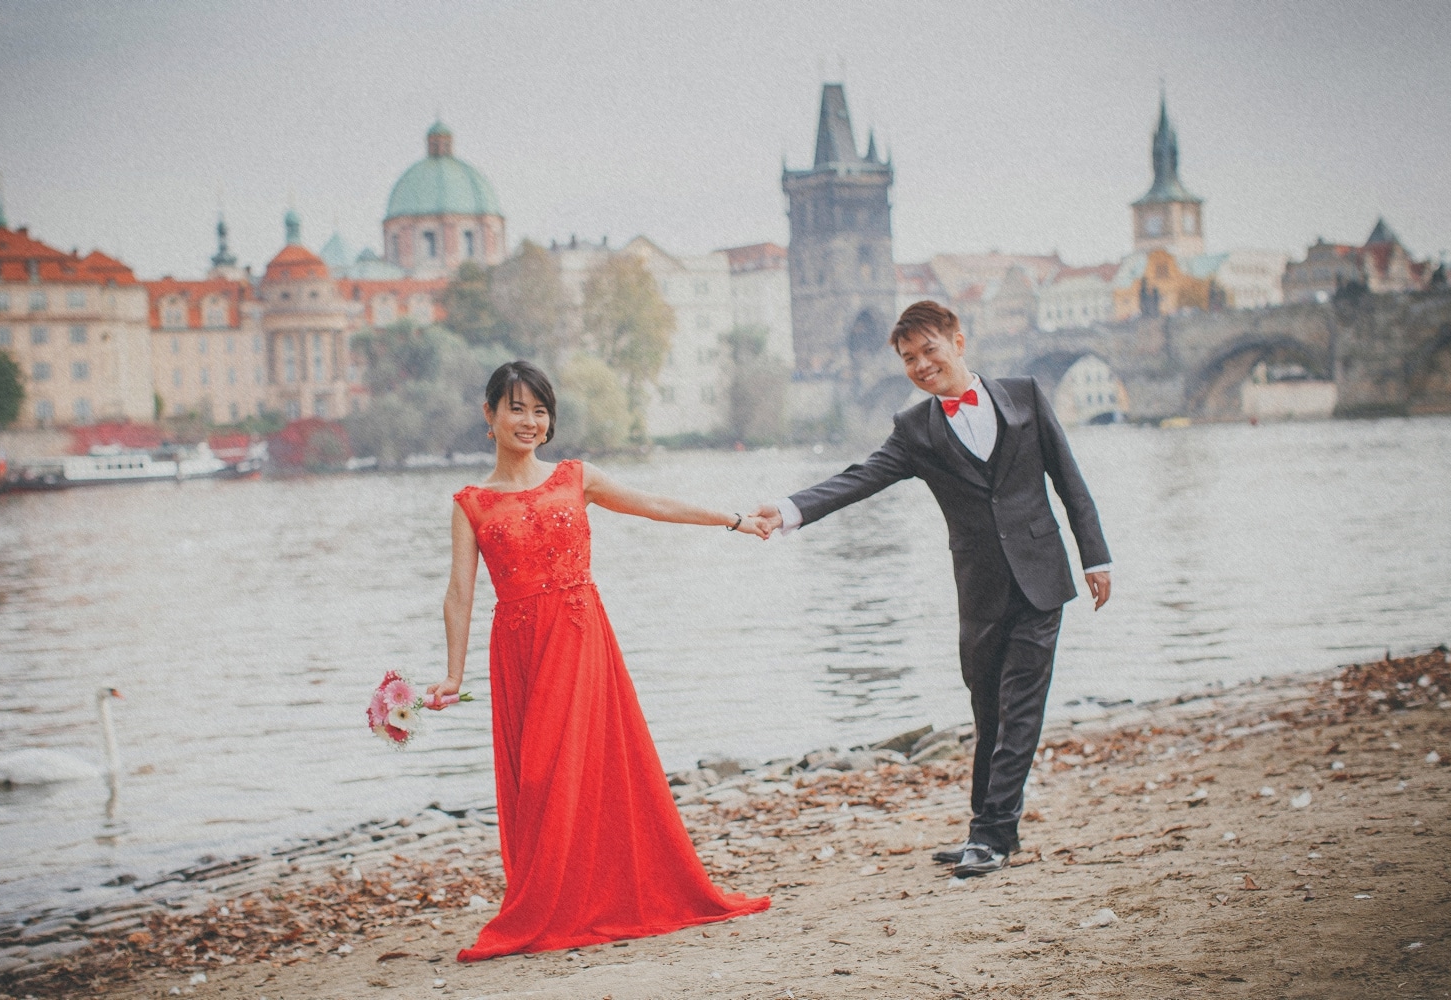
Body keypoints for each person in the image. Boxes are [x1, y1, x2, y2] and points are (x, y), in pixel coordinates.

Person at [428, 360, 772, 961]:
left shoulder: (574, 477)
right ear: (489, 415)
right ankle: (554, 897)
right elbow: (459, 594)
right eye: (516, 407)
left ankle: (597, 895)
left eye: (540, 410)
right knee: (535, 776)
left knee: (580, 765)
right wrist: (454, 676)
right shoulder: (471, 503)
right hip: (517, 644)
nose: (530, 421)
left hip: (578, 632)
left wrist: (734, 519)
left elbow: (654, 505)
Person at [755, 300, 1112, 877]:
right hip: (979, 589)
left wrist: (1096, 557)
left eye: (929, 351)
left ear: (958, 342)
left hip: (1043, 575)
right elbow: (861, 477)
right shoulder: (915, 429)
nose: (921, 365)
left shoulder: (1024, 394)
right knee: (988, 708)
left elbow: (1070, 480)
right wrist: (791, 509)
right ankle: (989, 828)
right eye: (908, 358)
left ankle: (991, 836)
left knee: (1021, 706)